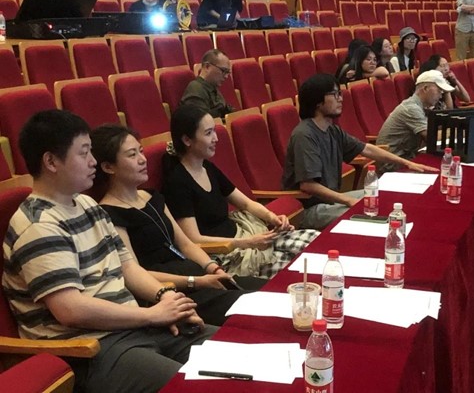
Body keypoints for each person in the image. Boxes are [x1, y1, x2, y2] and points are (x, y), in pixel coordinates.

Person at [2, 110, 216, 393]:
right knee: (203, 387)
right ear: (51, 161)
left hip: (133, 325)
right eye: (84, 153)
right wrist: (153, 315)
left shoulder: (88, 205)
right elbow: (70, 310)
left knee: (235, 348)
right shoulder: (38, 225)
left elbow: (127, 267)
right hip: (90, 348)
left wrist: (166, 299)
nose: (93, 161)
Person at [91, 124, 265, 326]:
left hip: (199, 275)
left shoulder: (151, 196)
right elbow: (135, 273)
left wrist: (213, 269)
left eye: (141, 151)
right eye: (132, 155)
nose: (142, 159)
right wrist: (195, 281)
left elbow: (186, 244)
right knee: (257, 305)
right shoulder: (109, 213)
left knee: (272, 290)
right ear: (108, 167)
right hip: (172, 291)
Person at [162, 106, 320, 278]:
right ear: (187, 140)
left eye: (214, 131)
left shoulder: (207, 167)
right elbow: (194, 240)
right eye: (208, 133)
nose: (216, 138)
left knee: (315, 239)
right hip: (227, 254)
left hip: (245, 235)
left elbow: (245, 203)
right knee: (297, 270)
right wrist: (246, 243)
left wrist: (273, 218)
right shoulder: (177, 182)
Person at [281, 74, 438, 230]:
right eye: (335, 94)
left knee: (385, 196)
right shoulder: (304, 135)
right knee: (369, 212)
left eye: (340, 94)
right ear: (317, 101)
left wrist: (407, 163)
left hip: (331, 201)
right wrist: (348, 200)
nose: (340, 99)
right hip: (310, 209)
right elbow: (308, 185)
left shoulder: (332, 130)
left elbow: (366, 148)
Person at [376, 70, 455, 173]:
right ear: (425, 88)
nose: (441, 96)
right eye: (439, 90)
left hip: (407, 157)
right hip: (393, 164)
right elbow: (431, 136)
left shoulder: (420, 107)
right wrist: (460, 131)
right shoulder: (411, 108)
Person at [179, 49, 235, 119]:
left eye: (227, 72)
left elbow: (226, 110)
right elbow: (202, 122)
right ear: (207, 67)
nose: (226, 76)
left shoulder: (212, 86)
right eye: (223, 71)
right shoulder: (195, 89)